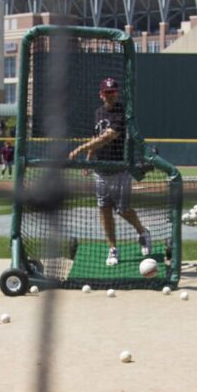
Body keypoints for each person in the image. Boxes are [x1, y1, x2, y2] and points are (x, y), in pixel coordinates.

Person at [67, 76, 152, 267]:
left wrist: (80, 149)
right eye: (107, 92)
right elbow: (96, 136)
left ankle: (143, 232)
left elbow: (108, 137)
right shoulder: (98, 112)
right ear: (101, 94)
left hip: (119, 169)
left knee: (122, 209)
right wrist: (89, 159)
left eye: (113, 91)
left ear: (117, 93)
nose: (111, 95)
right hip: (100, 170)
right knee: (104, 209)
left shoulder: (122, 112)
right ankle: (113, 248)